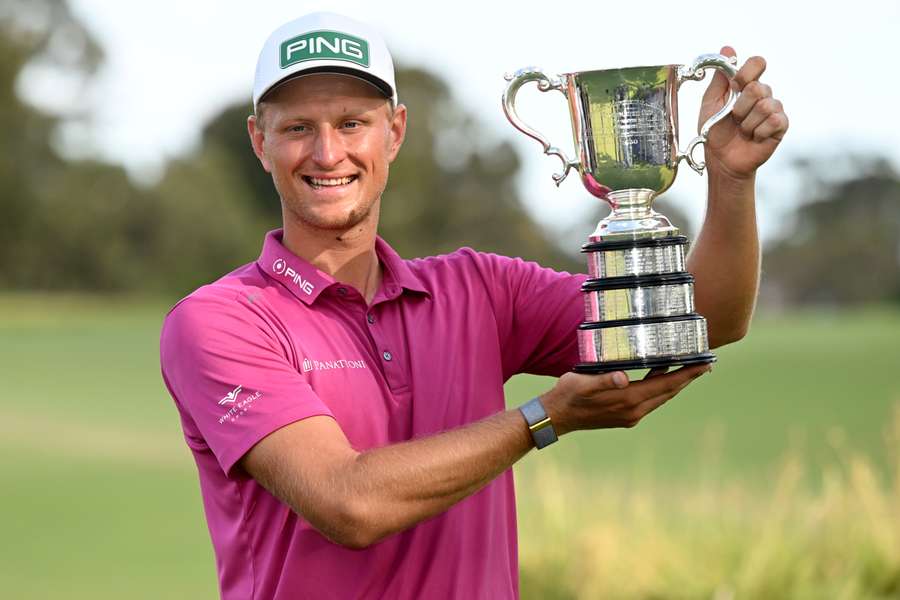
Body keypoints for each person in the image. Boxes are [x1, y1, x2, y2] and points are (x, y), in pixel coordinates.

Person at [159, 11, 788, 600]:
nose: (328, 154)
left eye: (352, 123)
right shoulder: (221, 320)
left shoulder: (481, 289)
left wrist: (731, 182)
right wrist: (544, 419)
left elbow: (704, 318)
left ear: (394, 131)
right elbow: (346, 504)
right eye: (298, 128)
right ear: (259, 141)